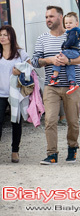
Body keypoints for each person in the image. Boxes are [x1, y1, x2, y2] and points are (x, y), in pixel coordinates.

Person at [32, 6, 80, 165]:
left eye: (51, 16)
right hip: (51, 86)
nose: (48, 19)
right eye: (46, 17)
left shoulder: (73, 35)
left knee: (73, 121)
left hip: (72, 86)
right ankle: (52, 154)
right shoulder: (42, 38)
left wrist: (68, 61)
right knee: (49, 120)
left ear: (61, 18)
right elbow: (35, 61)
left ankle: (72, 149)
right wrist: (50, 60)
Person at [0, 25, 30, 163]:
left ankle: (15, 151)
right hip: (0, 94)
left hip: (15, 92)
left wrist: (20, 71)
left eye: (5, 35)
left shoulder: (20, 53)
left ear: (11, 36)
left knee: (16, 122)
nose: (2, 37)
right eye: (1, 35)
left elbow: (30, 67)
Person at [49, 12, 80, 95]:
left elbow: (70, 41)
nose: (68, 25)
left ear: (76, 24)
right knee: (69, 67)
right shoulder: (77, 32)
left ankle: (55, 77)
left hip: (72, 51)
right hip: (74, 52)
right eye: (66, 23)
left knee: (59, 57)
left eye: (70, 23)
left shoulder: (72, 32)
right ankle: (72, 83)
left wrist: (65, 46)